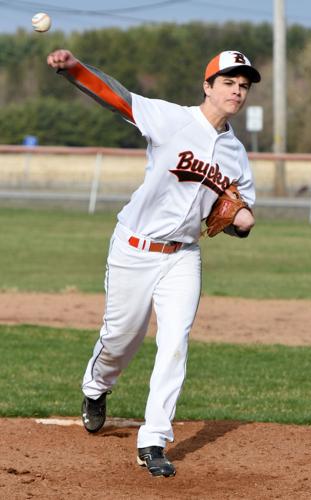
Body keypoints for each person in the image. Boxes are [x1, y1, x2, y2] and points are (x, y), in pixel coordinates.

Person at [47, 48, 260, 477]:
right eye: (228, 82)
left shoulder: (236, 153)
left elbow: (240, 210)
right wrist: (73, 70)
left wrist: (241, 220)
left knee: (175, 341)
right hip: (133, 248)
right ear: (207, 86)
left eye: (243, 85)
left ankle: (153, 439)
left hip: (183, 256)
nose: (236, 91)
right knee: (121, 339)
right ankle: (96, 386)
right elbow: (118, 97)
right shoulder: (171, 119)